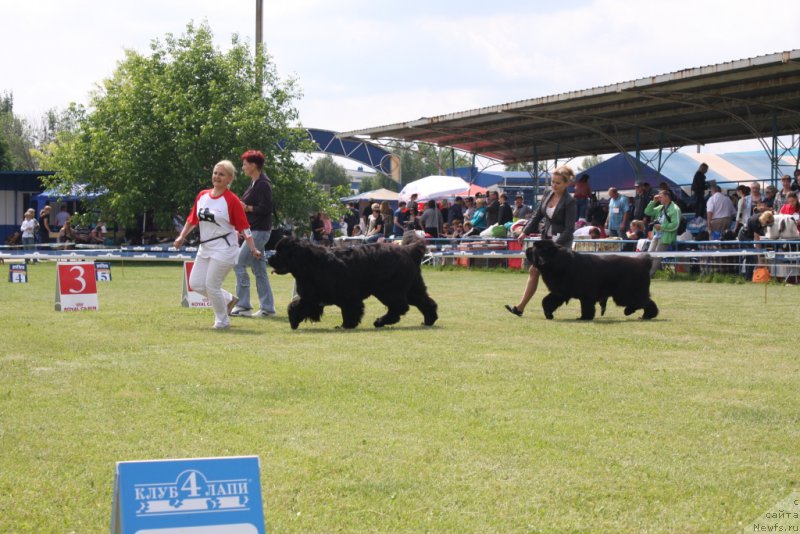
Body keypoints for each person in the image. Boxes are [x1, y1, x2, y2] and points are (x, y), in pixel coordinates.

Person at [174, 160, 263, 329]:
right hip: (205, 248)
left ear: (229, 179)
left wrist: (253, 248)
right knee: (196, 284)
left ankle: (222, 321)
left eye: (221, 174)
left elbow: (244, 227)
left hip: (225, 249)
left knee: (211, 285)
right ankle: (227, 299)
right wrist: (181, 236)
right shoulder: (202, 195)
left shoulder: (232, 200)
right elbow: (192, 219)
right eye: (215, 173)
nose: (217, 177)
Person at [505, 165, 576, 317]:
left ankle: (550, 304)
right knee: (534, 270)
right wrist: (524, 232)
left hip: (560, 245)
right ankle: (520, 308)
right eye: (553, 182)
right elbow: (537, 215)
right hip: (546, 242)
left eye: (558, 183)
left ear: (566, 184)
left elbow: (569, 229)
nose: (554, 185)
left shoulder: (570, 202)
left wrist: (554, 247)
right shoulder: (547, 194)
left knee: (563, 278)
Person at [231, 149, 276, 318]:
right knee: (259, 270)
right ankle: (267, 309)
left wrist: (247, 208)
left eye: (244, 164)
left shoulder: (263, 184)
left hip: (259, 232)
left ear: (253, 165)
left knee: (238, 263)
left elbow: (266, 209)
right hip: (255, 231)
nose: (242, 167)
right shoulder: (255, 183)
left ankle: (243, 305)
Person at [644, 189, 682, 277]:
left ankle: (649, 275)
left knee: (657, 256)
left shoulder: (675, 209)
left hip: (666, 237)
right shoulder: (661, 207)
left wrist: (661, 227)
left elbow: (675, 225)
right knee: (649, 255)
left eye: (660, 197)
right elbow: (647, 212)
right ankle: (645, 273)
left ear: (667, 197)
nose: (659, 198)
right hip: (656, 235)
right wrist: (653, 202)